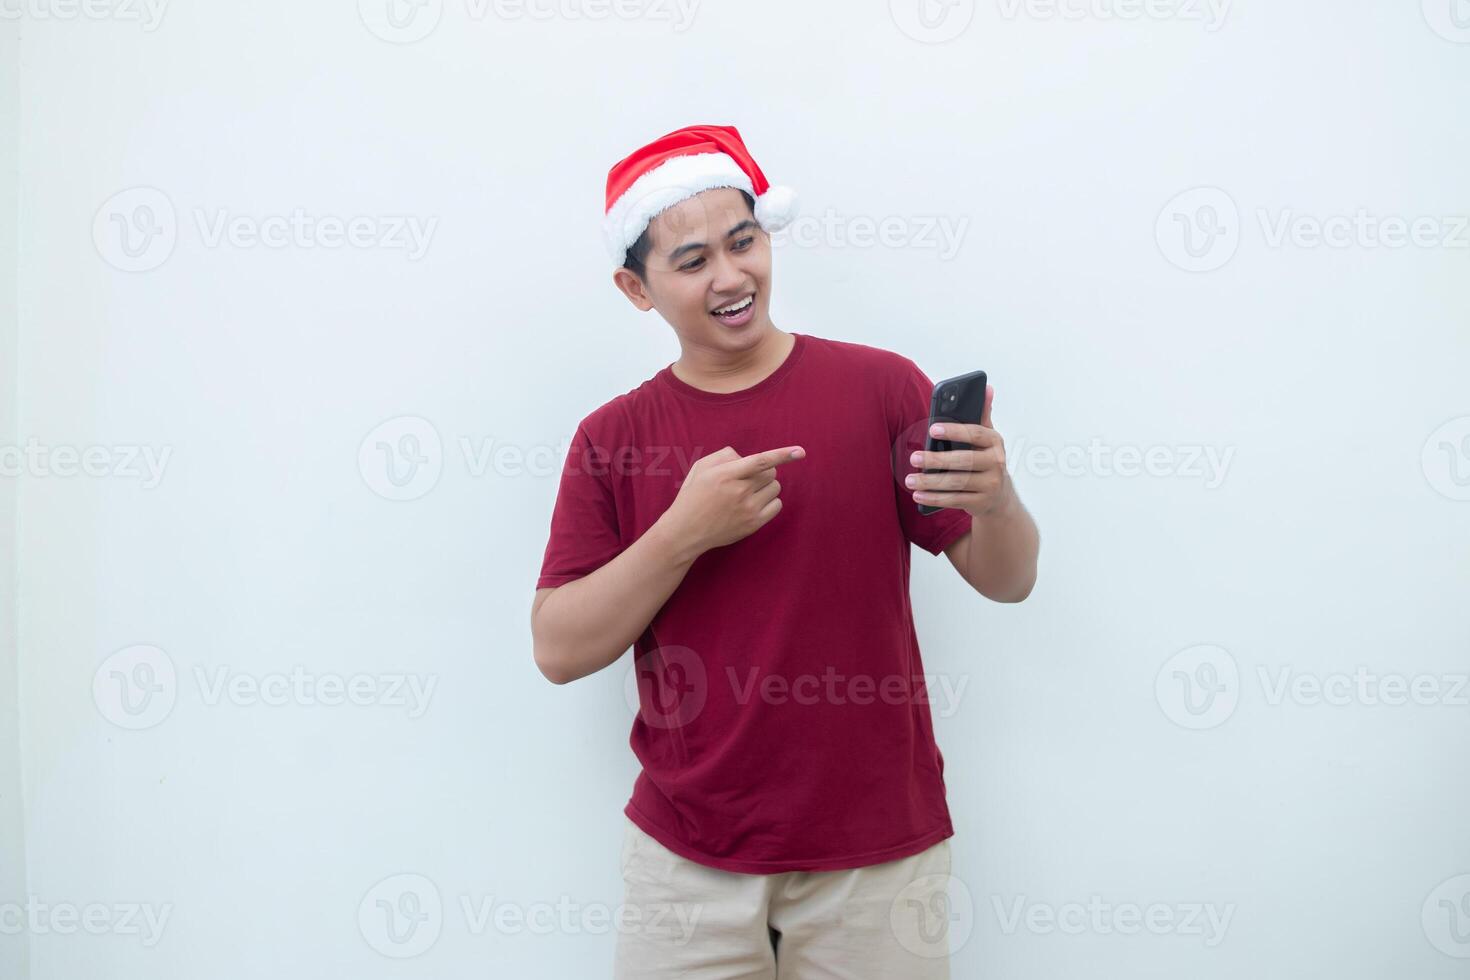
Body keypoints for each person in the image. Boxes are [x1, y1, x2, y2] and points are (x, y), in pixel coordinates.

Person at [531, 124, 1040, 978]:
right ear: (637, 288)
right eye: (692, 262)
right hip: (685, 864)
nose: (732, 278)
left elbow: (1010, 580)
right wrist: (682, 535)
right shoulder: (612, 438)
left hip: (878, 856)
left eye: (745, 242)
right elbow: (558, 648)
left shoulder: (882, 388)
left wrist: (998, 498)